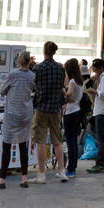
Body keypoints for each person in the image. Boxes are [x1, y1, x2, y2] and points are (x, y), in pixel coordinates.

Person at [0, 51, 34, 188]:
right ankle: (24, 177)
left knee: (7, 145)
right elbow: (35, 90)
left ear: (19, 61)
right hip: (26, 113)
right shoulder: (32, 75)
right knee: (22, 145)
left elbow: (2, 90)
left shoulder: (13, 74)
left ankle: (2, 178)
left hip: (11, 113)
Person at [32, 41, 67, 183]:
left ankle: (41, 174)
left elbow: (34, 86)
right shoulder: (60, 68)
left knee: (40, 140)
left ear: (44, 51)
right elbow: (61, 87)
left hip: (42, 107)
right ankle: (62, 171)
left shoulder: (38, 68)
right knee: (57, 140)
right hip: (55, 108)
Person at [62, 58, 85, 179]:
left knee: (70, 141)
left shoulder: (72, 82)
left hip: (70, 112)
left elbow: (69, 94)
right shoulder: (80, 81)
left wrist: (63, 91)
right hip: (77, 110)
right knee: (73, 142)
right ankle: (73, 166)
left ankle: (70, 168)